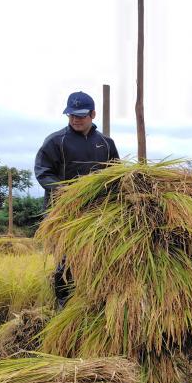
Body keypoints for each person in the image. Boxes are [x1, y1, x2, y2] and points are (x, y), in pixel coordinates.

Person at [35, 91, 119, 307]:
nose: (75, 119)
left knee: (97, 261)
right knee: (67, 263)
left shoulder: (106, 144)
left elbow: (116, 175)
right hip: (64, 215)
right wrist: (62, 190)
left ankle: (95, 304)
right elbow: (43, 171)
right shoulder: (56, 141)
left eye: (81, 115)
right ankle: (65, 309)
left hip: (96, 215)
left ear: (93, 114)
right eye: (71, 115)